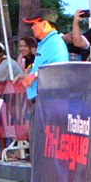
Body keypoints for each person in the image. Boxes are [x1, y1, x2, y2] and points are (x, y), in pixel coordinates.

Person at [18, 8, 69, 152]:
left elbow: (56, 68)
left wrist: (32, 77)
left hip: (47, 102)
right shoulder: (47, 43)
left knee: (41, 148)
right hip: (42, 101)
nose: (32, 27)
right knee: (38, 146)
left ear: (45, 24)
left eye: (34, 24)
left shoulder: (54, 43)